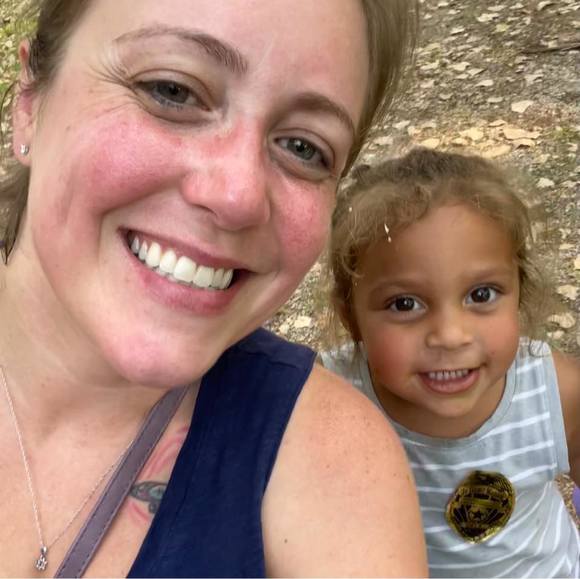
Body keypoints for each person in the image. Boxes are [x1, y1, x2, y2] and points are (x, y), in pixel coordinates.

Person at [0, 0, 428, 577]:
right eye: (172, 91)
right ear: (30, 102)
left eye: (304, 147)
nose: (237, 195)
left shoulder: (335, 472)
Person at [321, 147, 580, 577]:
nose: (450, 335)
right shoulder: (331, 398)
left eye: (481, 295)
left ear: (519, 291)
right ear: (352, 318)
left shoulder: (555, 391)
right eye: (405, 304)